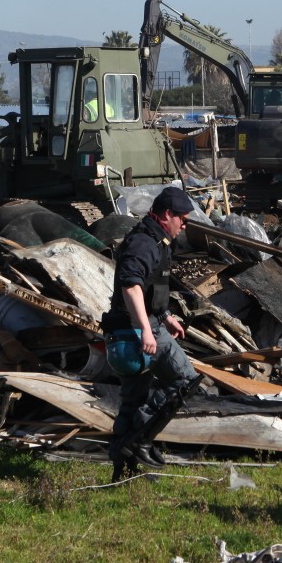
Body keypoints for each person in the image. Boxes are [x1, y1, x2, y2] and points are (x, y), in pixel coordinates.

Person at [100, 186, 200, 478]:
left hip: (135, 328)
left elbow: (150, 287)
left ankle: (123, 466)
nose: (185, 224)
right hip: (137, 332)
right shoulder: (144, 243)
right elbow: (130, 286)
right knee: (186, 380)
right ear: (167, 214)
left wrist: (166, 316)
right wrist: (146, 330)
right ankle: (140, 440)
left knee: (133, 400)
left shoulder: (159, 241)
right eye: (183, 218)